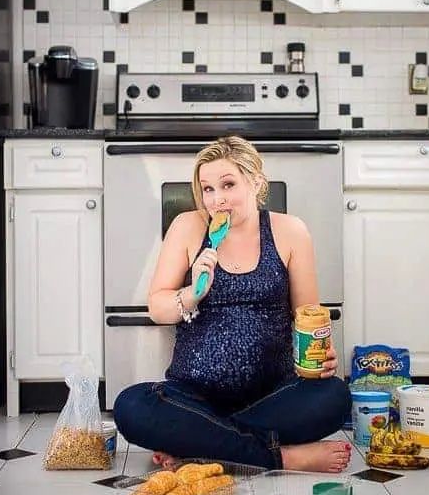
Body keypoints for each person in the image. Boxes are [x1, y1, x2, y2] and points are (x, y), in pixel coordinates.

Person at [114, 136, 352, 472]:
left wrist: (320, 354)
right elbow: (158, 306)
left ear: (255, 181)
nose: (216, 199)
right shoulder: (187, 227)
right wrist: (191, 295)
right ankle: (279, 456)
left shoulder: (290, 231)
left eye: (228, 185)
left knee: (335, 397)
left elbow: (307, 317)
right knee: (131, 406)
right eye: (207, 189)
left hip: (273, 396)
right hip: (193, 397)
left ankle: (200, 446)